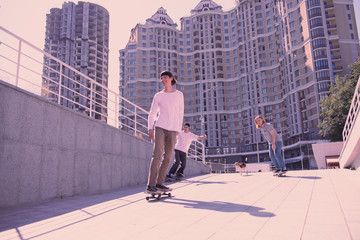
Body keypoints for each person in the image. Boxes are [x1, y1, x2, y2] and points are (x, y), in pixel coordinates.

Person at [146, 70, 184, 193]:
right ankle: (150, 185)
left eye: (165, 77)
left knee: (168, 157)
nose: (163, 80)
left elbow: (180, 113)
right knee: (157, 155)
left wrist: (178, 129)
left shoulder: (179, 94)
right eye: (161, 78)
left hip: (173, 129)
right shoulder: (158, 95)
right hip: (160, 127)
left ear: (171, 78)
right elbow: (152, 113)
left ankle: (159, 183)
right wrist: (150, 127)